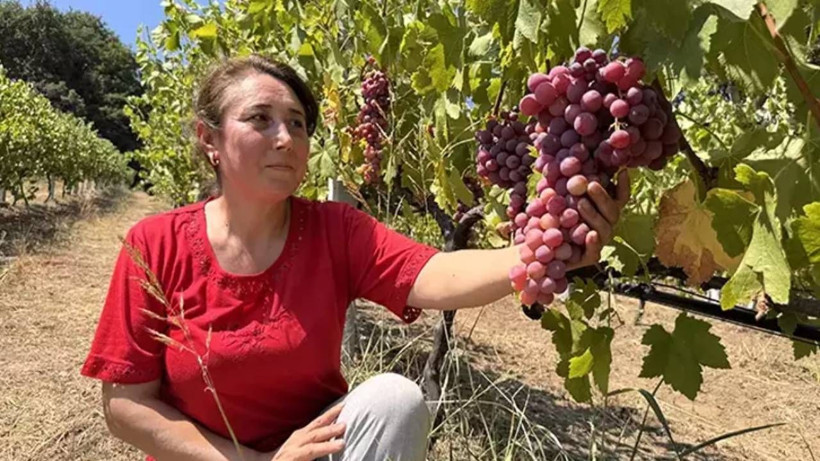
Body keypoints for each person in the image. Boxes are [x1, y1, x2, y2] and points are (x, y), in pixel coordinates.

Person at [81, 55, 629, 461]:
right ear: (209, 140)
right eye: (260, 119)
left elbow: (435, 274)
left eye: (297, 123)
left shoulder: (334, 230)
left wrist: (542, 252)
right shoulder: (155, 244)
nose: (285, 138)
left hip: (314, 452)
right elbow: (126, 406)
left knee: (395, 399)